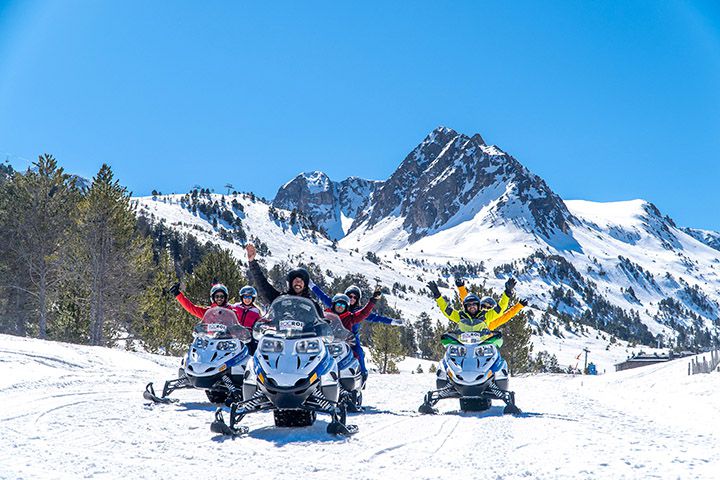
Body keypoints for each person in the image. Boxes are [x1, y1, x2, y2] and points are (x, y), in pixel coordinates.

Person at [310, 282, 403, 380]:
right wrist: (310, 284)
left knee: (358, 352)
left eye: (355, 297)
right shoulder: (336, 304)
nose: (352, 299)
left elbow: (372, 316)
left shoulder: (354, 314)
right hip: (330, 338)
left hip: (350, 339)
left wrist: (393, 321)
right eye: (350, 296)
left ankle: (362, 375)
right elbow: (321, 295)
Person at [245, 243, 324, 317]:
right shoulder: (280, 299)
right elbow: (262, 284)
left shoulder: (313, 305)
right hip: (281, 331)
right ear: (290, 283)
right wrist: (252, 262)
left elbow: (322, 324)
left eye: (301, 281)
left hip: (307, 332)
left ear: (305, 284)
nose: (298, 283)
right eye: (295, 280)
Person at [427, 278, 526, 332]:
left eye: (489, 307)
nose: (486, 309)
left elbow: (503, 312)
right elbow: (448, 310)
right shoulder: (462, 316)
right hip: (464, 344)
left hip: (484, 345)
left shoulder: (487, 318)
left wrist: (508, 293)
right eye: (484, 306)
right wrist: (438, 295)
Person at [170, 282, 243, 322]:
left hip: (228, 343)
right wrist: (178, 294)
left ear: (225, 298)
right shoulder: (208, 312)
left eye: (222, 296)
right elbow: (191, 308)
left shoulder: (232, 311)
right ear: (213, 298)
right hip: (210, 343)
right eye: (217, 296)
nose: (219, 299)